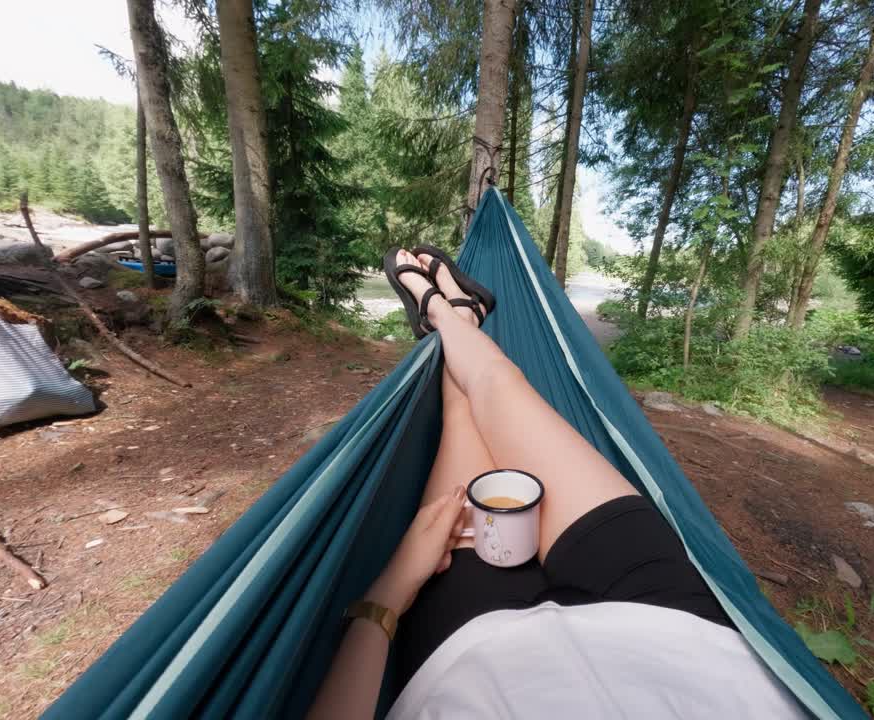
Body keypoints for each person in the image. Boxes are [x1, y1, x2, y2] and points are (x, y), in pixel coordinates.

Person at [307, 249, 806, 719]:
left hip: (472, 654)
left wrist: (389, 593)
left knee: (463, 413)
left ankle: (445, 314)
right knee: (498, 387)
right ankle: (451, 314)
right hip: (679, 635)